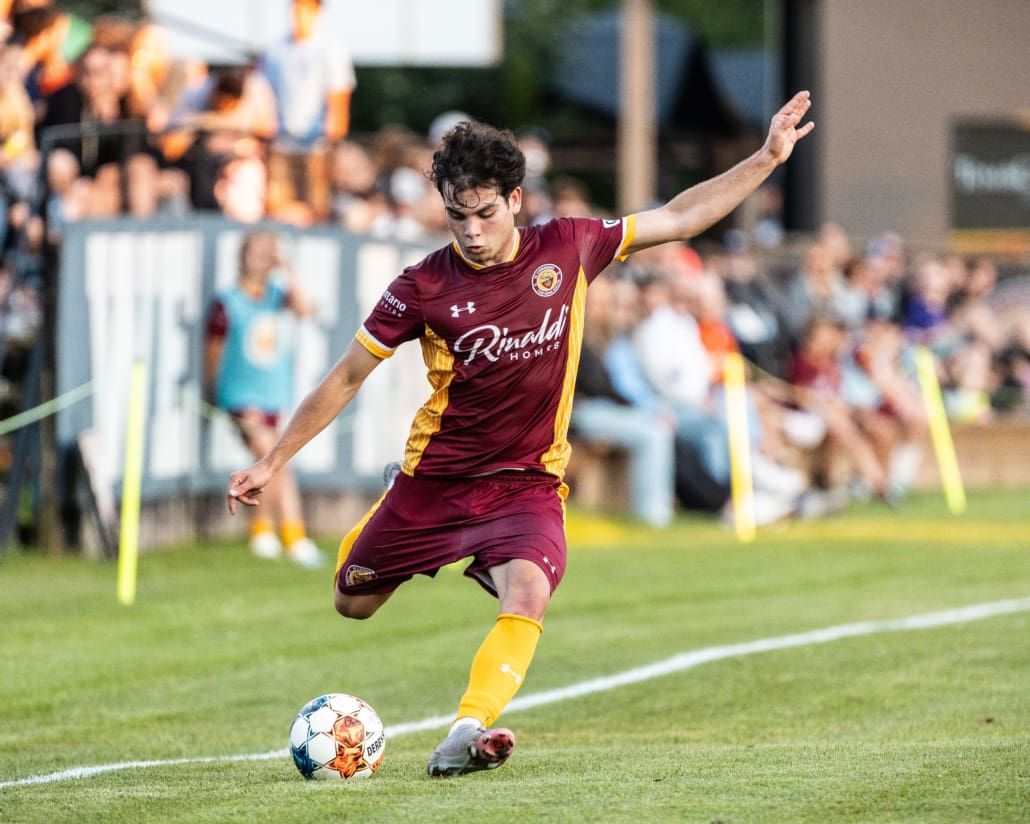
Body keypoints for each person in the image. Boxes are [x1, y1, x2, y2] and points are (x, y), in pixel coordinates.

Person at [225, 91, 814, 777]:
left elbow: (680, 216)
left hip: (528, 484)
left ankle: (467, 730)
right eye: (456, 216)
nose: (470, 231)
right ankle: (388, 509)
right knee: (351, 603)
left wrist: (765, 158)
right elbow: (345, 376)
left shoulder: (568, 246)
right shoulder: (420, 287)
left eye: (484, 213)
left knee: (529, 593)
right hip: (436, 482)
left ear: (515, 198)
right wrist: (272, 460)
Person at [205, 230, 325, 568]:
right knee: (270, 456)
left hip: (273, 393)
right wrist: (212, 391)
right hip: (241, 394)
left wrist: (286, 268)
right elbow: (212, 353)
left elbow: (305, 309)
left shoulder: (275, 294)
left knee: (274, 462)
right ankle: (291, 534)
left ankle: (264, 529)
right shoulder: (227, 300)